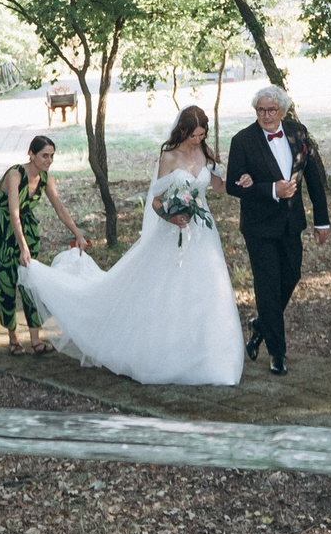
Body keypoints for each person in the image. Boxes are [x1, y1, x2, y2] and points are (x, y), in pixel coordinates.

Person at [13, 106, 243, 386]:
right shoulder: (169, 157)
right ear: (182, 132)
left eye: (202, 135)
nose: (198, 140)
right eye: (193, 135)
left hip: (203, 235)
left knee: (208, 290)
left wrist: (241, 181)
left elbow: (219, 187)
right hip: (172, 232)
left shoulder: (206, 154)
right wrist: (172, 217)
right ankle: (166, 355)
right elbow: (156, 201)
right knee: (166, 293)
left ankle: (211, 359)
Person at [225, 84, 329, 376]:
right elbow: (232, 185)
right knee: (267, 286)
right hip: (258, 227)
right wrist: (272, 189)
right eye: (261, 110)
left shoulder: (298, 133)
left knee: (291, 275)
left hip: (291, 223)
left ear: (282, 111)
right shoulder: (242, 141)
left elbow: (313, 179)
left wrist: (322, 220)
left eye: (271, 110)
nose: (266, 115)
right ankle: (277, 353)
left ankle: (261, 324)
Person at [0, 135, 89, 355]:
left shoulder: (46, 179)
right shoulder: (15, 175)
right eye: (44, 155)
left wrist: (78, 234)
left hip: (26, 227)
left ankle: (35, 340)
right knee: (5, 282)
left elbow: (60, 209)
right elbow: (13, 212)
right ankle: (13, 339)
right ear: (31, 154)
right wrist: (23, 247)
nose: (49, 160)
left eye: (52, 156)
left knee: (31, 281)